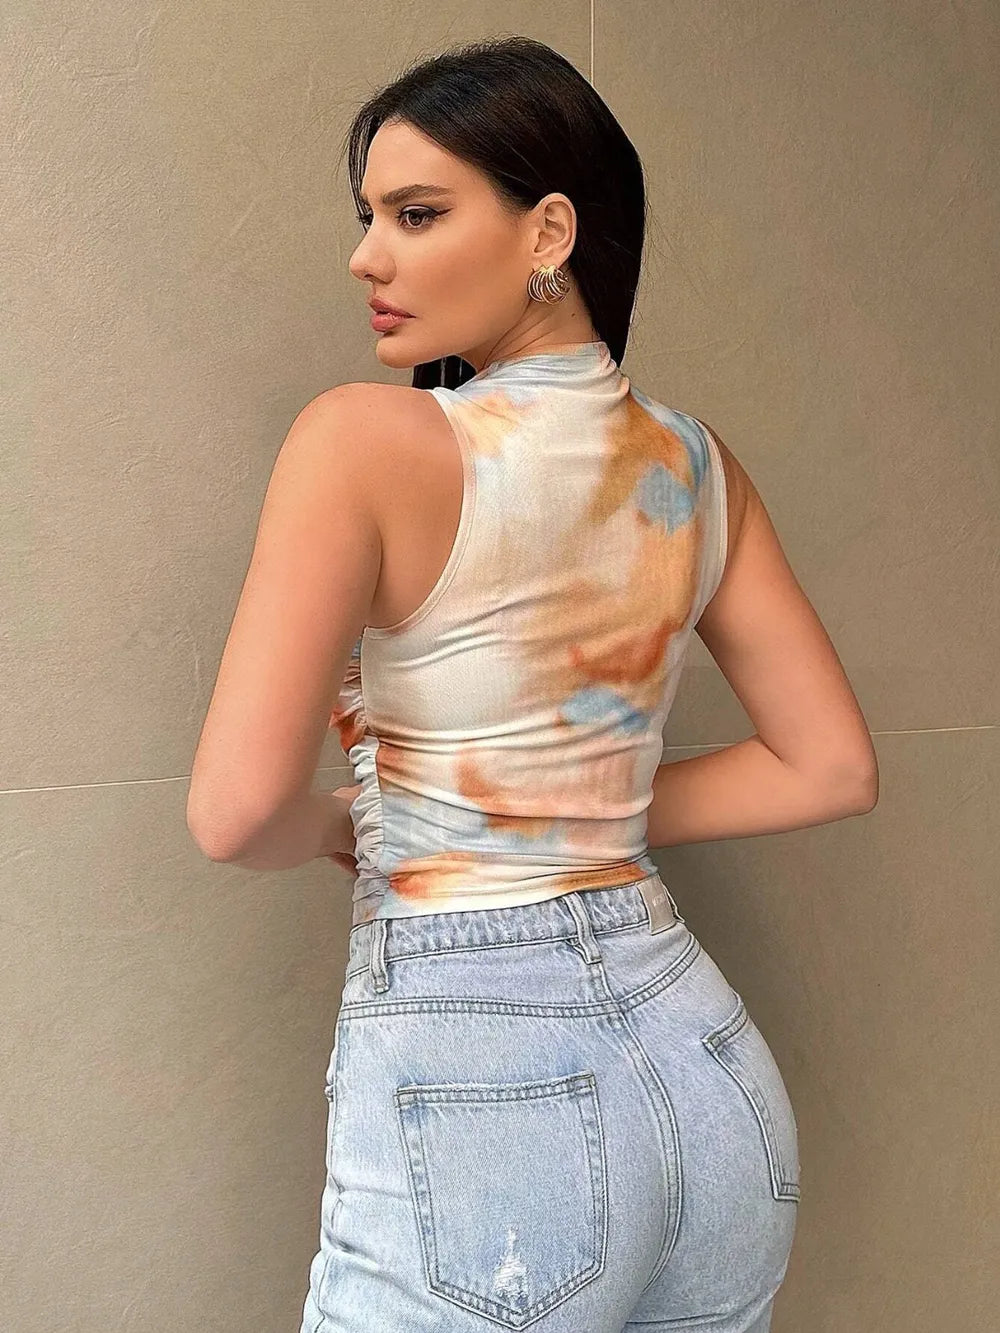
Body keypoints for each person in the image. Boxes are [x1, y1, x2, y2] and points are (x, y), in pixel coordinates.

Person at [298, 36, 878, 1333]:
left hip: (488, 1090)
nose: (367, 257)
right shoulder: (695, 464)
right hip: (709, 1078)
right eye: (368, 217)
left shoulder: (361, 442)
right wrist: (565, 814)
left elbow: (234, 810)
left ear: (549, 231)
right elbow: (830, 764)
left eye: (416, 214)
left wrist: (352, 819)